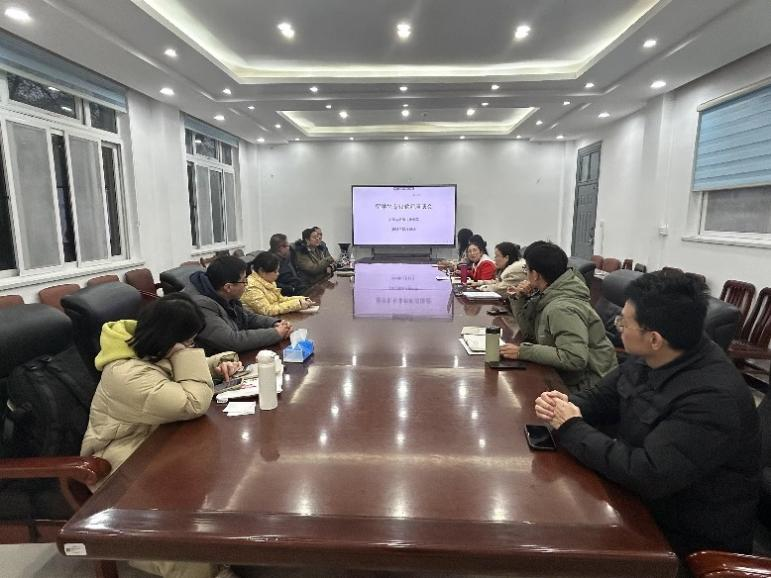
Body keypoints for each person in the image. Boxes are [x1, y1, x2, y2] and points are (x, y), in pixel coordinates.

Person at [534, 270, 761, 558]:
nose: (617, 327)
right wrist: (562, 404)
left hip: (681, 542)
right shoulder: (657, 355)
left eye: (623, 322)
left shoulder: (712, 399)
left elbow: (647, 473)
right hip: (636, 503)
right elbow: (602, 397)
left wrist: (571, 426)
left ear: (654, 338)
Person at [81, 293, 242, 578]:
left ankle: (225, 548)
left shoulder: (145, 349)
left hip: (157, 440)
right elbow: (192, 403)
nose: (191, 348)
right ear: (170, 340)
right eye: (189, 343)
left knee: (223, 474)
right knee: (185, 521)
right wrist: (186, 356)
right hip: (124, 459)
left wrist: (220, 362)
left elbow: (169, 372)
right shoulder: (127, 374)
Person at [501, 241, 617, 390]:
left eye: (526, 269)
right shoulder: (549, 294)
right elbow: (530, 333)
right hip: (573, 377)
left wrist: (523, 352)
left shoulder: (561, 308)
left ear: (535, 275)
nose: (525, 274)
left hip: (589, 386)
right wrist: (520, 298)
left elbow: (574, 357)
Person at [186, 256, 292, 354]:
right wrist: (276, 333)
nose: (247, 284)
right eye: (244, 281)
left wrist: (275, 323)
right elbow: (232, 341)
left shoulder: (223, 294)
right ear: (228, 287)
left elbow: (247, 317)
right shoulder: (201, 305)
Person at [242, 251, 316, 316]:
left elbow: (280, 300)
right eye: (275, 271)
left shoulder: (267, 281)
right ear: (262, 271)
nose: (278, 274)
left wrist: (301, 299)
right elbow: (267, 310)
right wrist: (297, 304)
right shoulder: (251, 287)